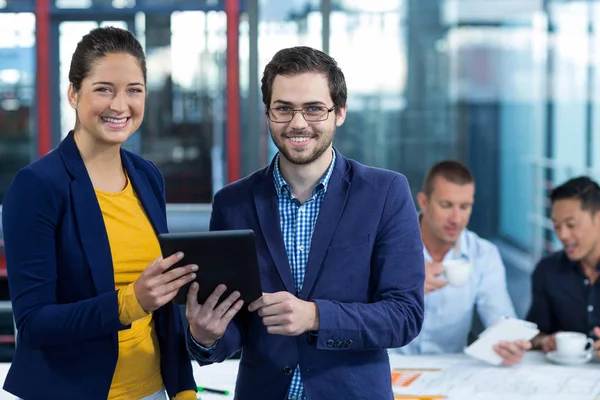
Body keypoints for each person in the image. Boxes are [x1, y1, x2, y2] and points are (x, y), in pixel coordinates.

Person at [184, 46, 425, 399]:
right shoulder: (232, 203)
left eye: (313, 108)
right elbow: (235, 322)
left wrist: (316, 317)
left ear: (339, 112)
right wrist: (206, 337)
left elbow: (404, 316)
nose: (298, 123)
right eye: (284, 109)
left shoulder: (385, 192)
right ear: (268, 113)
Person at [1, 27, 197, 399]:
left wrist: (184, 389)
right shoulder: (37, 186)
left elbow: (164, 305)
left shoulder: (147, 176)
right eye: (104, 88)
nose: (120, 105)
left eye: (133, 90)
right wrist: (131, 302)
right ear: (74, 93)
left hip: (153, 390)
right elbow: (33, 324)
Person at [397, 160, 531, 366]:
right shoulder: (387, 243)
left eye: (465, 207)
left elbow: (500, 318)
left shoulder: (483, 254)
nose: (456, 218)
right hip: (391, 365)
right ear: (424, 202)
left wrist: (509, 344)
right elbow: (354, 306)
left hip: (449, 371)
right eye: (446, 205)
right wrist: (402, 286)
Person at [527, 176, 600, 358]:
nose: (563, 235)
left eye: (571, 224)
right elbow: (532, 334)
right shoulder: (547, 271)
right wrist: (544, 341)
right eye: (557, 226)